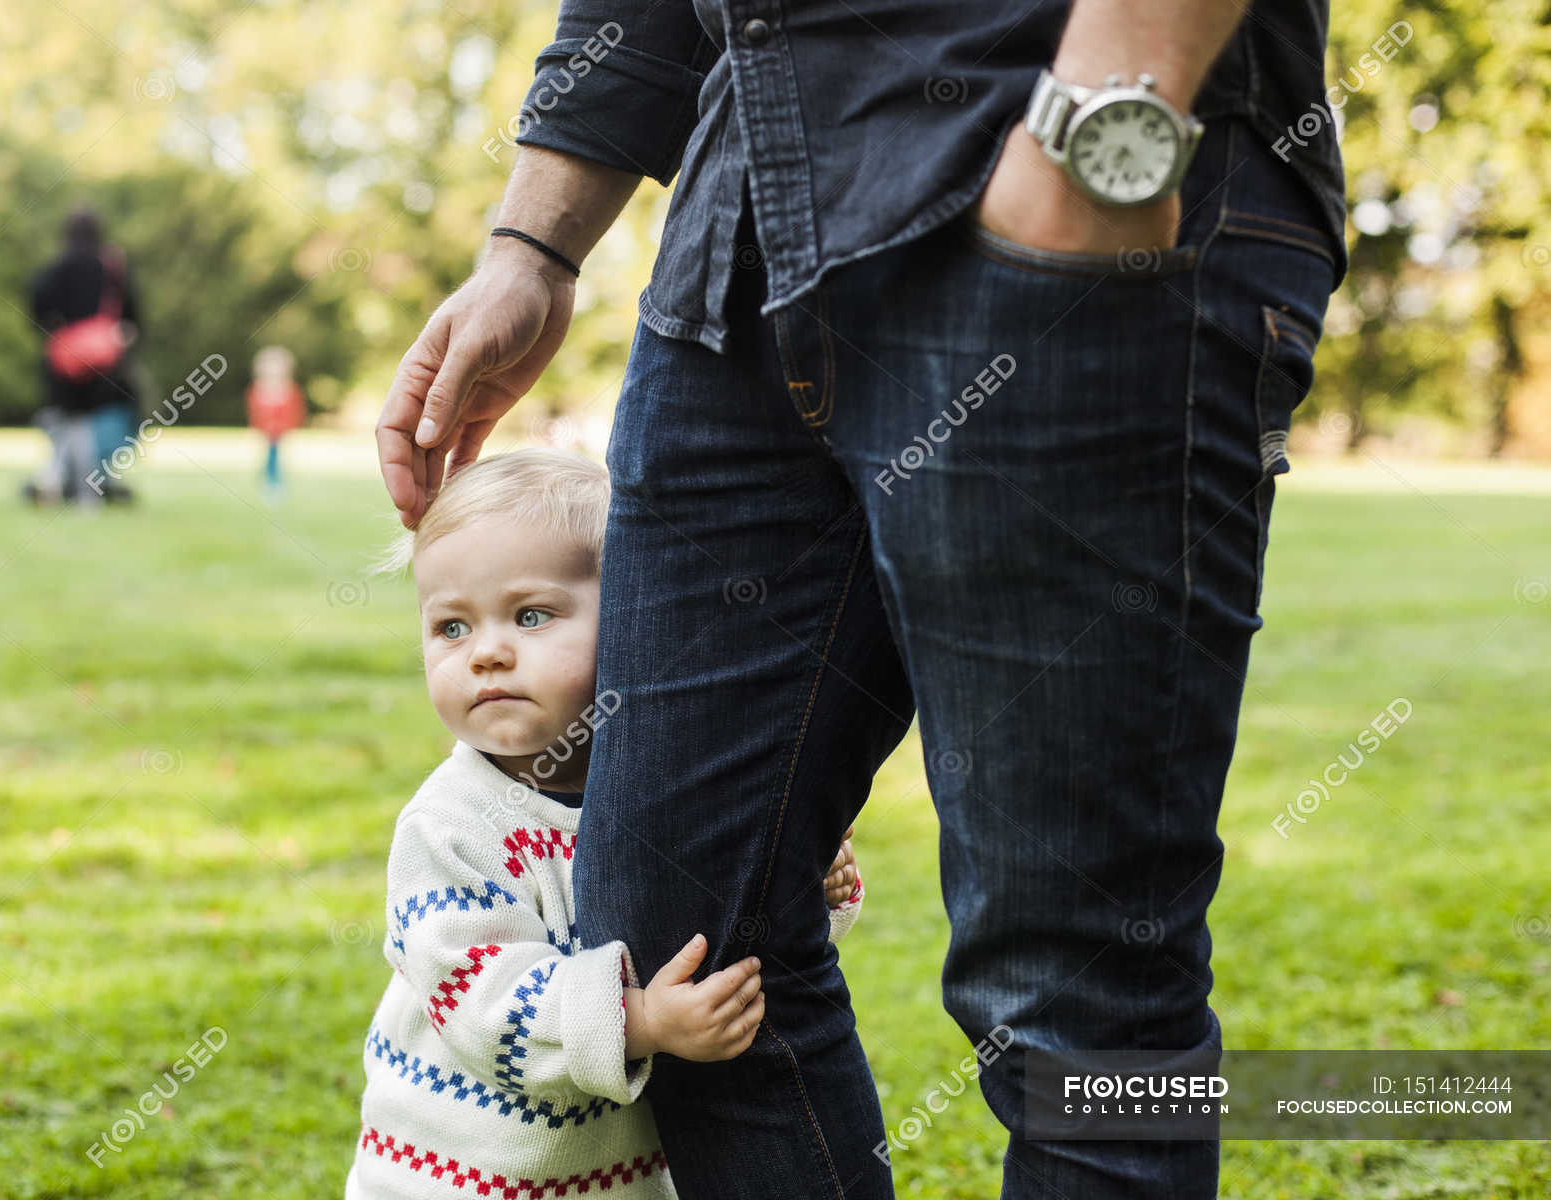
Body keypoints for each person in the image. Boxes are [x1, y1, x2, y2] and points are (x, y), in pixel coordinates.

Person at [376, 1, 1348, 1196]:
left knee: (1085, 981)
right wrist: (533, 247)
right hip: (742, 244)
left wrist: (1104, 122)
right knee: (681, 928)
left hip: (1056, 182)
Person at [348, 448, 862, 1199]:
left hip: (613, 1177)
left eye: (531, 616)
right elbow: (480, 1000)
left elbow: (724, 942)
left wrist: (810, 889)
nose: (487, 653)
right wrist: (641, 1021)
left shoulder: (664, 786)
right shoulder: (449, 827)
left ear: (630, 619)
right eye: (451, 627)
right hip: (458, 1175)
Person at [25, 206, 142, 507]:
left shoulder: (56, 269)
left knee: (68, 423)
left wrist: (57, 331)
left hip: (65, 361)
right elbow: (132, 315)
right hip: (105, 364)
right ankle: (87, 487)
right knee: (94, 426)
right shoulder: (111, 270)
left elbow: (37, 307)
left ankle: (57, 479)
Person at [246, 345, 305, 501]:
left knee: (275, 456)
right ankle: (270, 482)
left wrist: (285, 426)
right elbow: (255, 411)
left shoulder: (289, 389)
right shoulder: (258, 389)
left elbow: (294, 411)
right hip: (266, 432)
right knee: (270, 456)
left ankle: (274, 482)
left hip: (280, 432)